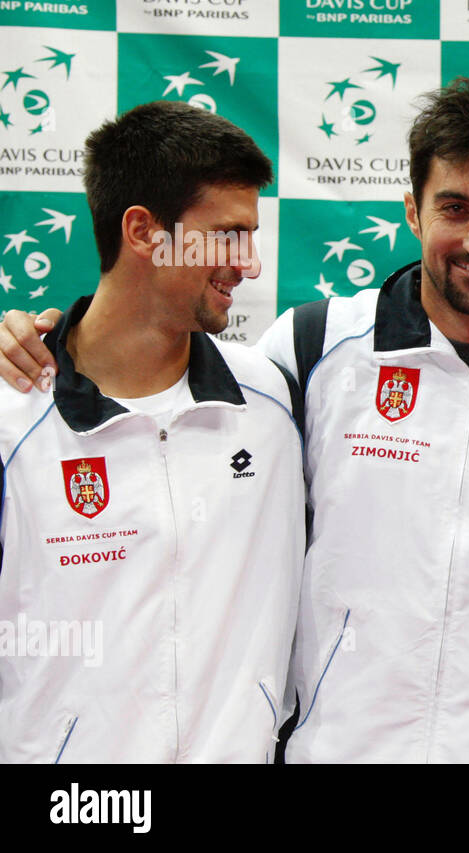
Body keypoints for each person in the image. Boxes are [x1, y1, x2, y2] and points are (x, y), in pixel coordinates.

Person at [0, 77, 469, 763]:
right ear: (412, 211)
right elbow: (138, 366)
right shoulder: (307, 355)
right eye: (454, 208)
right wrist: (40, 342)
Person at [0, 101, 304, 762]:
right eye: (228, 235)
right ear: (142, 229)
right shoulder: (12, 417)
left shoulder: (277, 399)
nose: (247, 264)